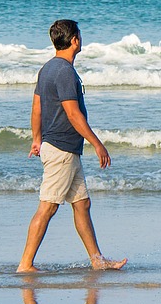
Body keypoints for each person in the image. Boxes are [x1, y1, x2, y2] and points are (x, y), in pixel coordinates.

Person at [17, 19, 126, 272]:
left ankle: (97, 260)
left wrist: (36, 138)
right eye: (80, 35)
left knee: (82, 204)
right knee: (48, 207)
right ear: (74, 40)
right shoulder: (64, 71)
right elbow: (73, 113)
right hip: (61, 150)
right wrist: (97, 144)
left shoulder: (47, 68)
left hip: (65, 149)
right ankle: (25, 264)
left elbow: (36, 106)